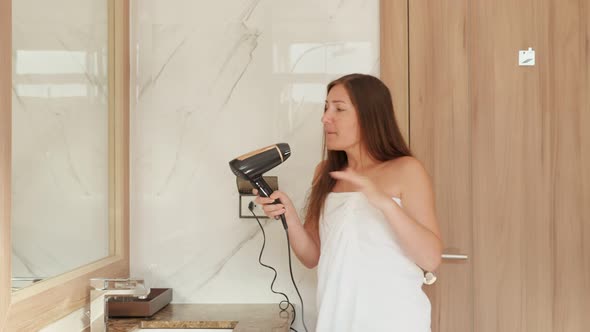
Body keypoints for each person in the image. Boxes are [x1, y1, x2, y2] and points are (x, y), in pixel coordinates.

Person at [255, 73, 442, 331]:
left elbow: (430, 259)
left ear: (370, 116)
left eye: (339, 109)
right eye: (325, 108)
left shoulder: (406, 170)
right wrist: (288, 215)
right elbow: (312, 256)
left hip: (396, 320)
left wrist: (384, 202)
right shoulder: (325, 173)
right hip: (336, 319)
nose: (325, 117)